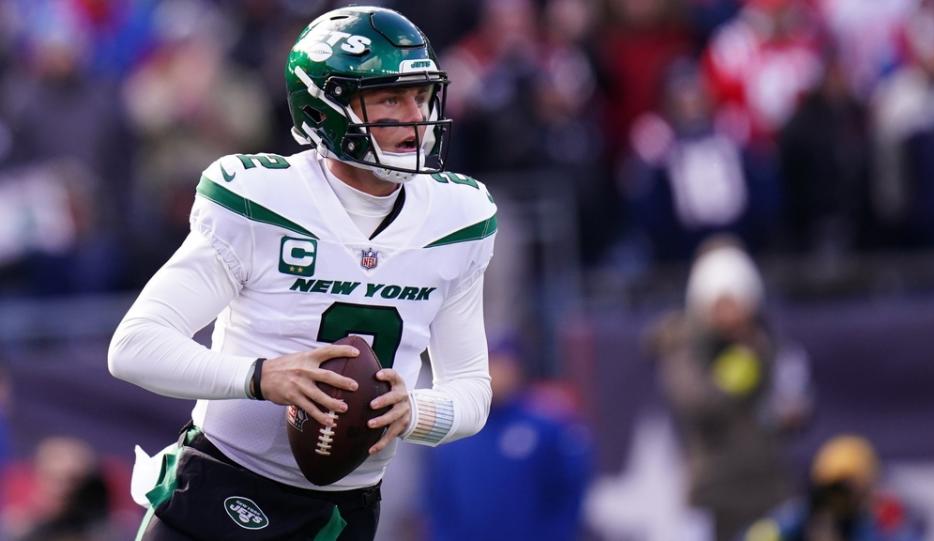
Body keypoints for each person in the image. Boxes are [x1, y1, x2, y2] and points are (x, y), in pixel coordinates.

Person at [108, 6, 497, 541]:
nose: (415, 115)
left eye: (422, 95)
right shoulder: (261, 199)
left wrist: (415, 411)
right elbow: (134, 347)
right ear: (326, 108)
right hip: (218, 492)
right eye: (390, 97)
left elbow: (473, 391)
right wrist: (261, 376)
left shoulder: (460, 216)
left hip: (342, 515)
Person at [652, 235, 811, 541]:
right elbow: (696, 402)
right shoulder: (683, 346)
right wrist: (740, 372)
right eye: (723, 303)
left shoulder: (769, 342)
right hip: (713, 496)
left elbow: (794, 400)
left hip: (769, 490)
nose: (732, 313)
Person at [423, 338, 592, 541]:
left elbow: (569, 492)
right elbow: (437, 498)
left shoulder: (547, 424)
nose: (493, 374)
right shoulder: (455, 429)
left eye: (499, 364)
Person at [742, 435, 922, 541]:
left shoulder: (884, 523)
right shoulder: (798, 516)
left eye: (848, 488)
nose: (839, 500)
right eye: (832, 488)